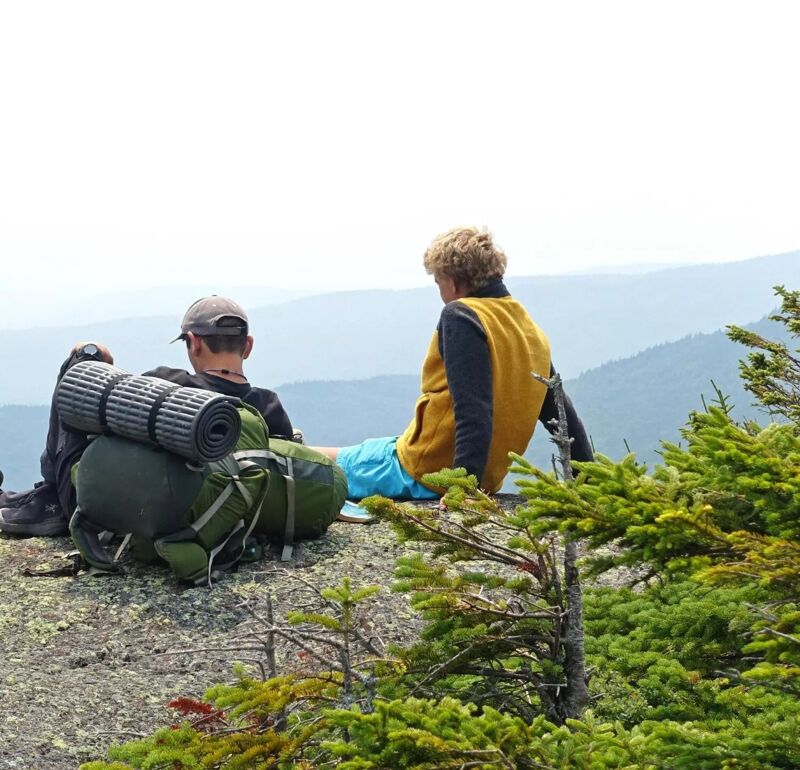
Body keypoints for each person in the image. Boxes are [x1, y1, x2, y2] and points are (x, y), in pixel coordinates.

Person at [316, 226, 593, 499]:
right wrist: (591, 482)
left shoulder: (461, 316)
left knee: (316, 466)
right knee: (364, 450)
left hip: (427, 473)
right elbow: (561, 416)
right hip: (481, 477)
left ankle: (281, 449)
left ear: (453, 281)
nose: (440, 292)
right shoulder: (528, 328)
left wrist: (461, 488)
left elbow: (473, 410)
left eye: (438, 282)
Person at [0, 296, 294, 536]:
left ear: (194, 342)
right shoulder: (268, 407)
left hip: (130, 508)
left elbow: (102, 420)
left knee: (79, 370)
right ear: (248, 345)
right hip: (212, 517)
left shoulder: (169, 386)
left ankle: (52, 501)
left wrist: (95, 356)